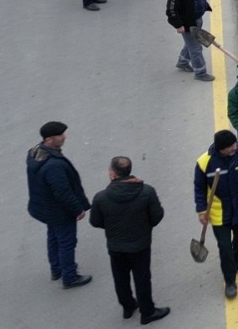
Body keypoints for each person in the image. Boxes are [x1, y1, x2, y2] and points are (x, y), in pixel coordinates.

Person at [88, 156, 169, 325]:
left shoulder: (101, 197)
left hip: (116, 246)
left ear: (113, 174)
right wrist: (144, 227)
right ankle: (147, 311)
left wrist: (112, 229)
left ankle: (128, 306)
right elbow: (157, 216)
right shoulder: (147, 191)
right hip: (140, 244)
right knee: (142, 278)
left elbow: (95, 222)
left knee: (120, 277)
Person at [26, 121, 93, 288]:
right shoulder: (53, 165)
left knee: (53, 237)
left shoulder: (35, 153)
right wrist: (77, 209)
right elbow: (63, 192)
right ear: (49, 139)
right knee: (67, 242)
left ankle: (56, 270)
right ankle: (69, 277)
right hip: (58, 211)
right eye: (60, 135)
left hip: (45, 208)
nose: (64, 137)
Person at [194, 130, 238, 300]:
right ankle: (230, 281)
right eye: (230, 147)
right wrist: (201, 211)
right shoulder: (204, 163)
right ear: (220, 148)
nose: (234, 148)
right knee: (224, 247)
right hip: (218, 214)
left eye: (234, 144)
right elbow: (199, 189)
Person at [167, 0, 214, 81]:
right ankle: (200, 73)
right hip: (188, 23)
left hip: (196, 18)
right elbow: (171, 9)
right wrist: (178, 25)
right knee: (196, 48)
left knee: (190, 43)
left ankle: (182, 62)